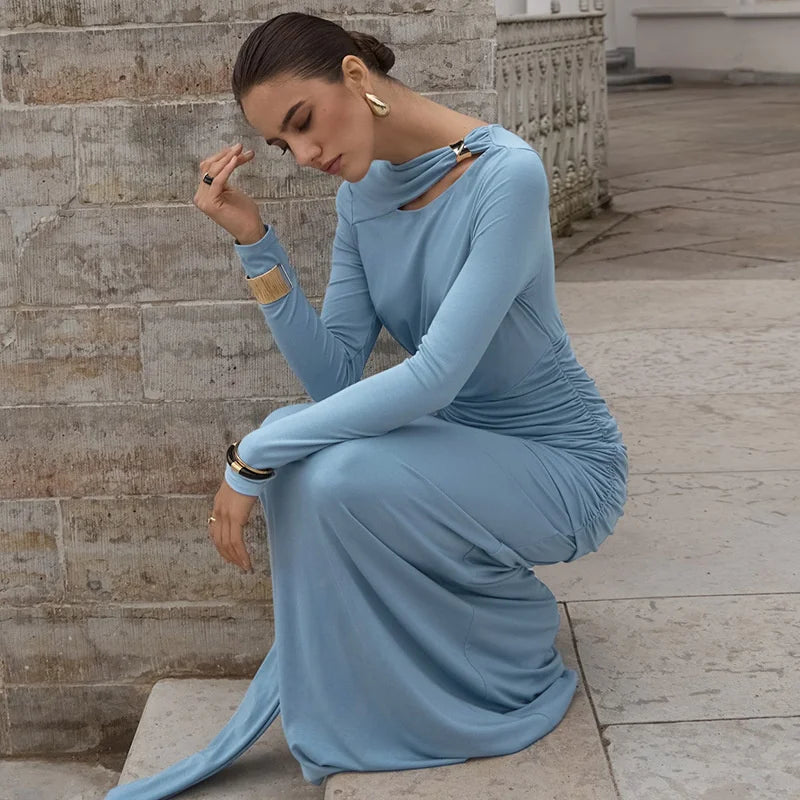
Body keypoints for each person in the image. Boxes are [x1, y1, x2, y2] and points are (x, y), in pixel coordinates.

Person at [106, 11, 628, 799]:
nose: (307, 155)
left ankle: (505, 633)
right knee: (303, 449)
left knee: (307, 457)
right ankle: (406, 669)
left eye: (304, 122)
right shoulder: (364, 198)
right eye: (284, 145)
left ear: (355, 76)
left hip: (563, 467)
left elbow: (436, 376)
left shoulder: (507, 175)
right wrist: (257, 245)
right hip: (455, 457)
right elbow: (339, 383)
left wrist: (252, 455)